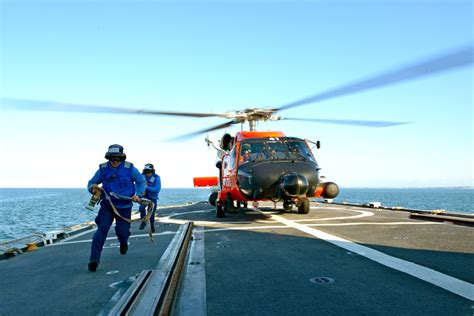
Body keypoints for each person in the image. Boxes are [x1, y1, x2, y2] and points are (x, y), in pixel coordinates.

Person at [86, 144, 146, 272]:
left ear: (122, 158)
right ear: (108, 157)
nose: (114, 161)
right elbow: (91, 183)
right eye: (112, 158)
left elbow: (141, 182)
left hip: (124, 206)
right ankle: (94, 260)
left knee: (122, 232)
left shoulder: (130, 168)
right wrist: (93, 188)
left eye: (117, 158)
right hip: (107, 205)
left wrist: (138, 194)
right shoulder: (102, 169)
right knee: (101, 230)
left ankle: (123, 242)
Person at [138, 163, 161, 233]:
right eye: (146, 172)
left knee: (151, 212)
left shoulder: (156, 177)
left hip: (153, 197)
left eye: (149, 172)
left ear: (152, 171)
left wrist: (146, 187)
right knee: (141, 208)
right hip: (144, 196)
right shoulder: (141, 176)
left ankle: (151, 225)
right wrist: (140, 192)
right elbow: (137, 185)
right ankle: (143, 221)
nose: (148, 174)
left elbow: (157, 189)